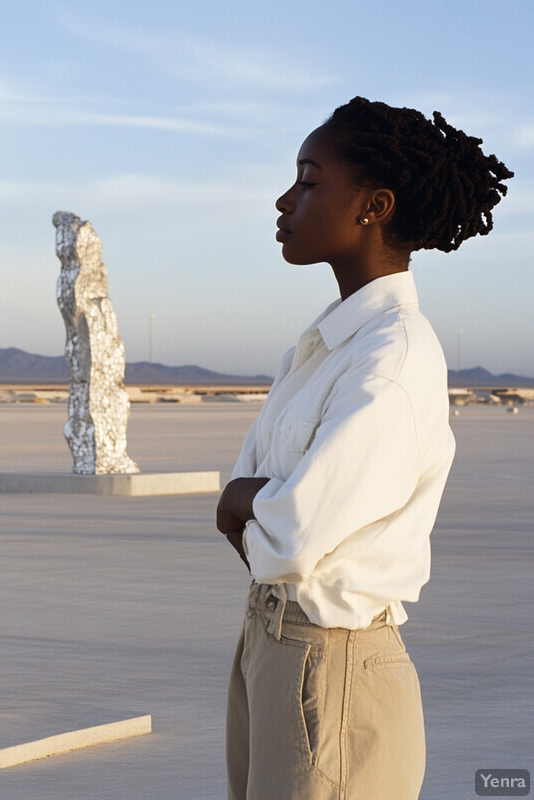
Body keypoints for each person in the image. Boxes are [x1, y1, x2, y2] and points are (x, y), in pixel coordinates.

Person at [216, 97, 512, 799]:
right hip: (272, 643)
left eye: (310, 180)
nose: (285, 199)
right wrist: (254, 501)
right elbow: (258, 496)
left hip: (332, 661)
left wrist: (247, 502)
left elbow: (289, 531)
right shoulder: (319, 346)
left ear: (373, 206)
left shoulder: (391, 358)